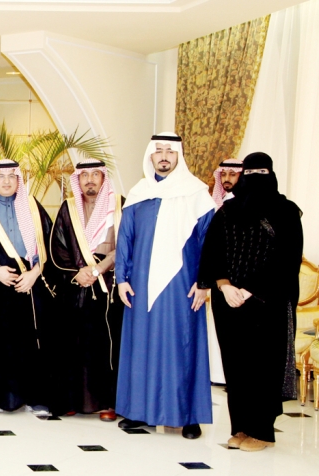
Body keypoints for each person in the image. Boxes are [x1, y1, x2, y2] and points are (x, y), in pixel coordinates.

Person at [198, 152, 303, 451]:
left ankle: (262, 432)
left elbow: (287, 260)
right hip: (228, 302)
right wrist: (224, 285)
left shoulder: (286, 212)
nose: (256, 178)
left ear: (272, 175)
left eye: (262, 172)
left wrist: (249, 290)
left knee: (263, 367)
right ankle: (241, 428)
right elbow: (212, 252)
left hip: (266, 304)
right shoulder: (228, 210)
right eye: (251, 172)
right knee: (236, 366)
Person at [115, 133, 215, 439]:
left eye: (170, 151)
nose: (163, 156)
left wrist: (204, 283)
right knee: (142, 347)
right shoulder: (138, 193)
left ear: (178, 156)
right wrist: (121, 279)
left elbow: (210, 244)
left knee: (181, 347)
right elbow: (125, 238)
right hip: (140, 286)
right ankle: (139, 412)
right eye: (158, 150)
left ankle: (188, 416)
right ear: (150, 155)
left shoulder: (196, 193)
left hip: (182, 287)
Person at [0, 160, 56, 416]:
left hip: (30, 283)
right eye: (1, 176)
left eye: (11, 176)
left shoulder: (33, 207)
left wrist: (34, 273)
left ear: (18, 179)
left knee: (33, 342)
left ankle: (35, 398)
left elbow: (49, 243)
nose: (6, 181)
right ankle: (2, 399)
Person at [49, 160, 124, 421]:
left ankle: (107, 403)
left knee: (104, 346)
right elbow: (58, 247)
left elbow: (126, 245)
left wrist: (100, 268)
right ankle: (73, 400)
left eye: (95, 174)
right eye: (84, 176)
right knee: (73, 345)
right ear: (78, 180)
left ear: (103, 178)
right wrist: (77, 272)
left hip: (107, 286)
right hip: (75, 286)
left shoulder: (119, 205)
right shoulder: (68, 208)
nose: (89, 180)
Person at [206, 159, 242, 385]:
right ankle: (218, 376)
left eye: (233, 174)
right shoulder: (214, 204)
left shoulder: (244, 205)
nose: (227, 179)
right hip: (218, 278)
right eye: (224, 174)